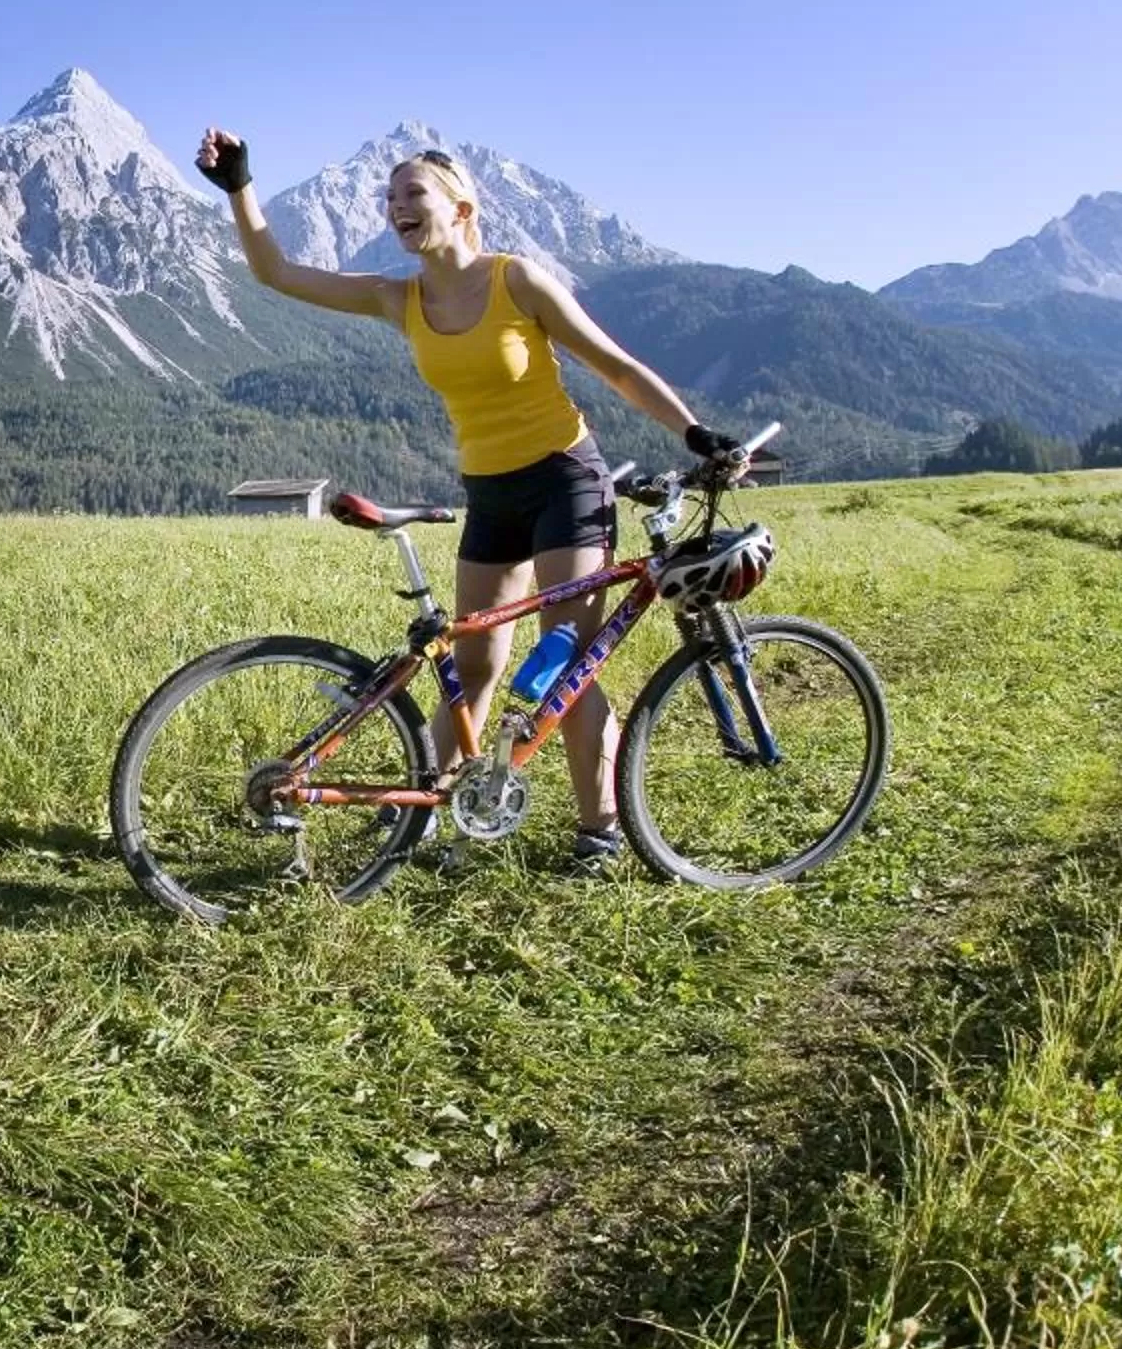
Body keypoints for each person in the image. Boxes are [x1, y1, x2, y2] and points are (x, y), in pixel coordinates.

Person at [192, 130, 746, 869]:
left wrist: (693, 431)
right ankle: (434, 816)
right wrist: (239, 187)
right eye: (389, 199)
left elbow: (613, 365)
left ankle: (600, 834)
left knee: (567, 665)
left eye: (413, 194)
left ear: (460, 206)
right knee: (474, 668)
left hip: (564, 481)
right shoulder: (399, 298)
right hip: (490, 494)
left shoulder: (518, 281)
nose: (397, 208)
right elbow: (275, 273)